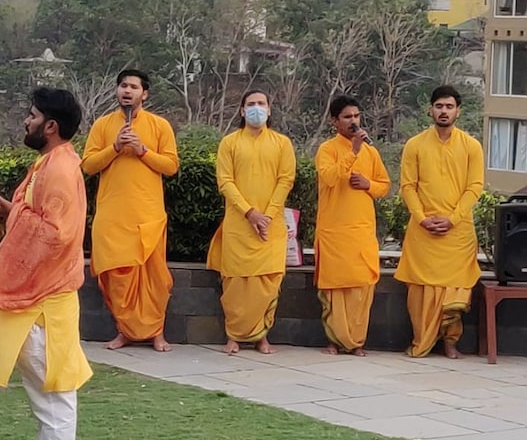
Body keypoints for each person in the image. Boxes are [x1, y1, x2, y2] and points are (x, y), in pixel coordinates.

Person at [0, 87, 92, 440]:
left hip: (46, 300)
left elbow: (55, 235)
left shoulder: (59, 169)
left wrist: (15, 216)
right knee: (43, 394)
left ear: (51, 126)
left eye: (32, 115)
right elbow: (39, 220)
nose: (26, 121)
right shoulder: (48, 163)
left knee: (55, 396)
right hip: (38, 298)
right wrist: (12, 212)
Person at [81, 68, 180, 352]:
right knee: (116, 278)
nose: (127, 91)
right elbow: (88, 165)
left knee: (154, 279)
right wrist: (114, 147)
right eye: (123, 85)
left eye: (134, 87)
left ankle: (156, 332)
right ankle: (124, 331)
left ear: (144, 94)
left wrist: (142, 150)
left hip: (147, 215)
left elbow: (171, 166)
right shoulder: (103, 125)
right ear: (117, 90)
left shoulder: (160, 126)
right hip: (112, 215)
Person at [394, 84, 484, 359]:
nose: (444, 111)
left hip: (457, 234)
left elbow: (475, 187)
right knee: (420, 292)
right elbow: (408, 186)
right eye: (439, 106)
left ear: (458, 111)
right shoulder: (415, 145)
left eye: (449, 106)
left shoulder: (471, 146)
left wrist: (453, 219)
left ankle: (450, 342)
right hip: (423, 233)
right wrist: (421, 219)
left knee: (454, 292)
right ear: (430, 110)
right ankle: (422, 339)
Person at [207, 89, 296, 355]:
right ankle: (234, 336)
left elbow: (286, 180)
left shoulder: (282, 143)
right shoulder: (230, 143)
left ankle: (261, 336)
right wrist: (250, 213)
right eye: (250, 104)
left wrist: (267, 215)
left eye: (261, 104)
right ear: (242, 111)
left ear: (269, 110)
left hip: (271, 228)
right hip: (238, 225)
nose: (256, 108)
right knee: (235, 283)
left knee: (268, 283)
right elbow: (225, 182)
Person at [314, 97, 391, 356]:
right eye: (347, 116)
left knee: (360, 288)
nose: (354, 121)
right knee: (336, 290)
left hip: (361, 231)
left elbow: (384, 185)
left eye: (356, 115)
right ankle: (334, 341)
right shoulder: (327, 149)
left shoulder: (372, 152)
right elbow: (329, 177)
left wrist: (368, 184)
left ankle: (356, 341)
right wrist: (352, 153)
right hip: (334, 230)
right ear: (334, 121)